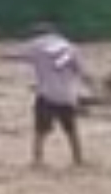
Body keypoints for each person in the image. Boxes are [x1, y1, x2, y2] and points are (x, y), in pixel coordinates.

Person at [5, 22, 89, 167]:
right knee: (71, 130)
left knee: (40, 130)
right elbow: (82, 71)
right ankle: (78, 159)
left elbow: (14, 54)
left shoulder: (37, 45)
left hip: (47, 93)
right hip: (67, 95)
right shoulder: (70, 46)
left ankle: (38, 160)